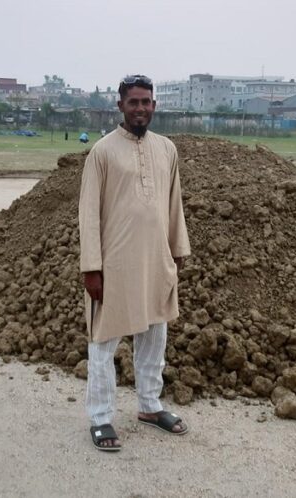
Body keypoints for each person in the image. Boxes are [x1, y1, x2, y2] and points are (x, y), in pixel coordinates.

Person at [78, 74, 192, 452]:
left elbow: (174, 203)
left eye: (146, 102)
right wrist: (91, 267)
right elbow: (88, 214)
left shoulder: (167, 149)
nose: (140, 108)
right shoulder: (103, 152)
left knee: (155, 338)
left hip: (156, 261)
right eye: (133, 102)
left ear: (154, 106)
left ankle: (149, 406)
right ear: (120, 106)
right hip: (114, 266)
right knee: (104, 342)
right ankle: (100, 417)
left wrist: (176, 253)